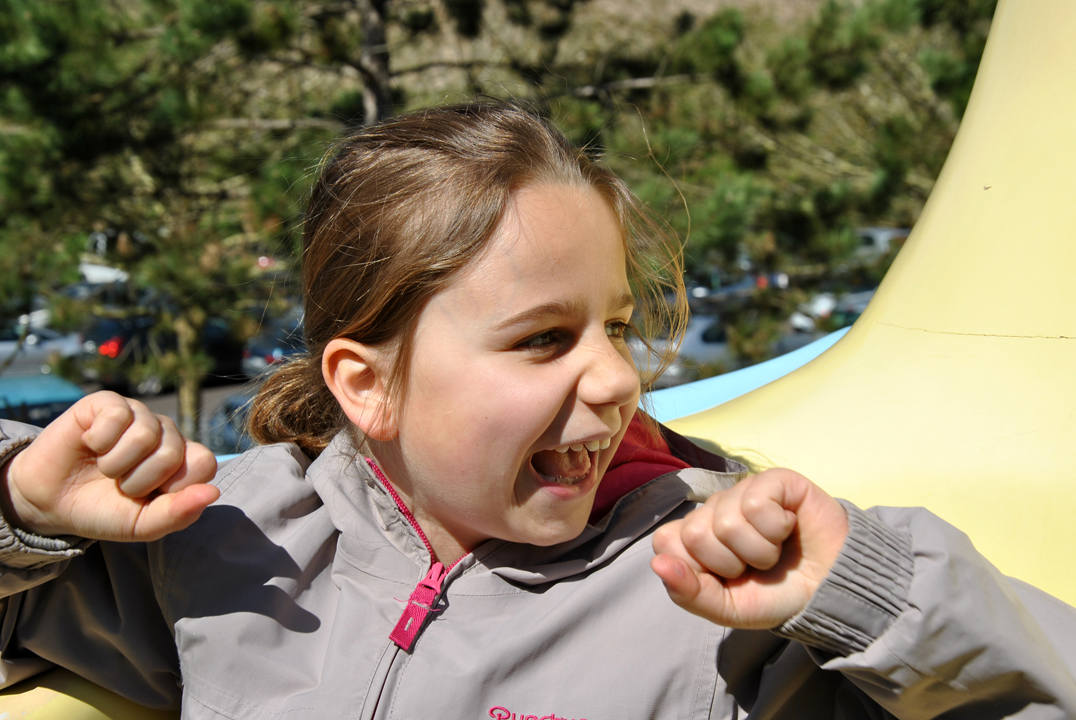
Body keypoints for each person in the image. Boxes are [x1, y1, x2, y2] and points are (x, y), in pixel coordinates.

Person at [1, 101, 1075, 719]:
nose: (614, 378)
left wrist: (866, 598)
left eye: (616, 325)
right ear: (365, 384)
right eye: (543, 339)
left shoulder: (723, 599)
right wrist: (26, 512)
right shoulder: (234, 541)